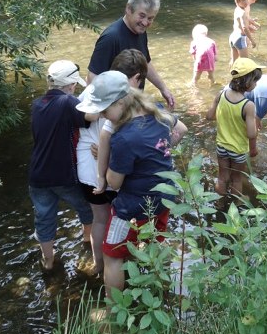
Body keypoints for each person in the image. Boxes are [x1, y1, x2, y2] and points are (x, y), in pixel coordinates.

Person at [76, 71, 187, 296]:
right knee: (156, 243)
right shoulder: (156, 110)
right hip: (164, 197)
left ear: (120, 103)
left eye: (105, 111)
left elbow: (114, 183)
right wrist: (160, 148)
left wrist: (104, 161)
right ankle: (160, 291)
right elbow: (181, 129)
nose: (105, 117)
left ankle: (114, 309)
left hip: (132, 208)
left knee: (112, 255)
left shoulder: (125, 137)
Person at [76, 49, 148, 273]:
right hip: (113, 171)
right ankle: (121, 266)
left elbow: (79, 122)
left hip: (87, 168)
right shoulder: (128, 100)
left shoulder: (90, 91)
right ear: (135, 78)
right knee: (122, 220)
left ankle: (100, 266)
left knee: (100, 220)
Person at [29, 60, 94, 271]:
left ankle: (48, 262)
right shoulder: (68, 102)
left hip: (37, 176)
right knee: (86, 207)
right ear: (71, 84)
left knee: (44, 218)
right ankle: (87, 241)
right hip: (63, 174)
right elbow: (89, 118)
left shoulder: (37, 104)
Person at [87, 0, 174, 108]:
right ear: (129, 9)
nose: (145, 23)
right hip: (114, 110)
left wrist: (163, 88)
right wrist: (105, 113)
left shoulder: (140, 31)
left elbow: (145, 62)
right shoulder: (111, 38)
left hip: (131, 105)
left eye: (150, 18)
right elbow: (92, 78)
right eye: (142, 16)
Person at [206, 57, 264, 196]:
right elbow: (251, 134)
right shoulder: (248, 105)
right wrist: (253, 147)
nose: (256, 84)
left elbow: (209, 116)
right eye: (255, 81)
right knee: (236, 179)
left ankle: (220, 202)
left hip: (221, 146)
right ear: (248, 82)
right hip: (238, 150)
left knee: (222, 176)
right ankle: (236, 203)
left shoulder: (221, 94)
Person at [229, 0, 257, 65]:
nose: (246, 2)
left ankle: (232, 75)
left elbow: (240, 24)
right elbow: (244, 28)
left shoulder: (236, 9)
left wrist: (252, 22)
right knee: (245, 64)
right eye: (243, 0)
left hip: (233, 37)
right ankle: (243, 77)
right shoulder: (242, 12)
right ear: (237, 1)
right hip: (240, 38)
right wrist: (252, 40)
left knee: (234, 61)